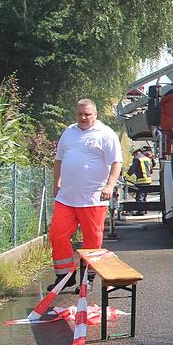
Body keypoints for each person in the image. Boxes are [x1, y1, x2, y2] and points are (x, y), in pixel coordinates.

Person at [46, 99, 123, 292]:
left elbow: (116, 162)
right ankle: (64, 276)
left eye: (87, 114)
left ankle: (87, 277)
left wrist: (109, 185)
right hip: (67, 197)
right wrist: (56, 183)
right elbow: (58, 160)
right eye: (80, 114)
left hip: (93, 197)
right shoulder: (69, 132)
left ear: (95, 114)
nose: (83, 118)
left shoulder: (105, 134)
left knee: (92, 239)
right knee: (57, 233)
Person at [124, 147, 154, 215]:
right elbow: (151, 170)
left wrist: (126, 177)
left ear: (136, 152)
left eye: (134, 154)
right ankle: (145, 210)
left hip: (141, 180)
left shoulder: (137, 159)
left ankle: (140, 211)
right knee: (144, 196)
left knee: (139, 196)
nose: (134, 156)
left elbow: (132, 169)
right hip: (148, 180)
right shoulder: (147, 159)